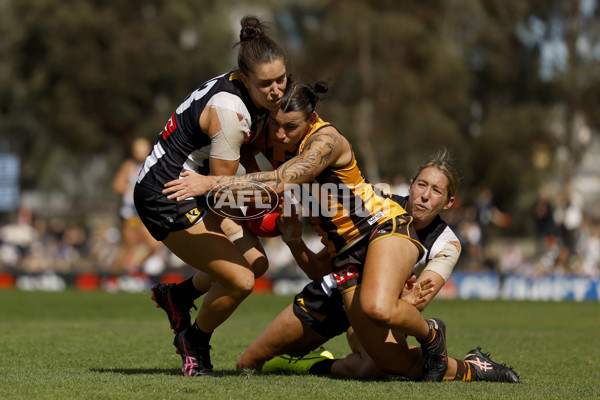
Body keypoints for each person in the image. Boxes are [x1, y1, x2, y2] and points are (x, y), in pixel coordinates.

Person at [161, 79, 450, 381]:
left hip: (381, 227)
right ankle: (473, 368)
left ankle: (432, 334)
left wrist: (209, 184)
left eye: (291, 126)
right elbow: (239, 159)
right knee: (391, 363)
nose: (281, 134)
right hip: (344, 256)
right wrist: (292, 241)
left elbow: (279, 181)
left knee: (377, 308)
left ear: (310, 119)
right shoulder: (267, 134)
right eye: (275, 124)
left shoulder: (326, 141)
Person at [236, 158, 519, 383]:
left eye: (436, 191)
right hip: (329, 297)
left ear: (449, 203)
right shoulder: (376, 204)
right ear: (410, 184)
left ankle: (472, 368)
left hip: (378, 312)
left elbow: (412, 305)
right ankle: (471, 365)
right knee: (248, 363)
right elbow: (321, 268)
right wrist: (294, 242)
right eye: (422, 185)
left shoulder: (447, 244)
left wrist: (395, 299)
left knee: (377, 367)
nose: (424, 196)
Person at [134, 16, 287, 377]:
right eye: (266, 84)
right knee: (242, 280)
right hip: (167, 195)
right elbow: (223, 188)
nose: (277, 90)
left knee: (257, 265)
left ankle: (179, 296)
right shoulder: (230, 112)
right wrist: (271, 197)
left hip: (197, 186)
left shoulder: (242, 88)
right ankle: (194, 341)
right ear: (245, 79)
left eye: (281, 78)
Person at [112, 137, 164, 275]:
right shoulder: (129, 166)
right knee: (129, 248)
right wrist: (135, 191)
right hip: (130, 213)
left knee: (154, 245)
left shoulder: (154, 165)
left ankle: (135, 267)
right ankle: (112, 277)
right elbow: (118, 186)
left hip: (146, 211)